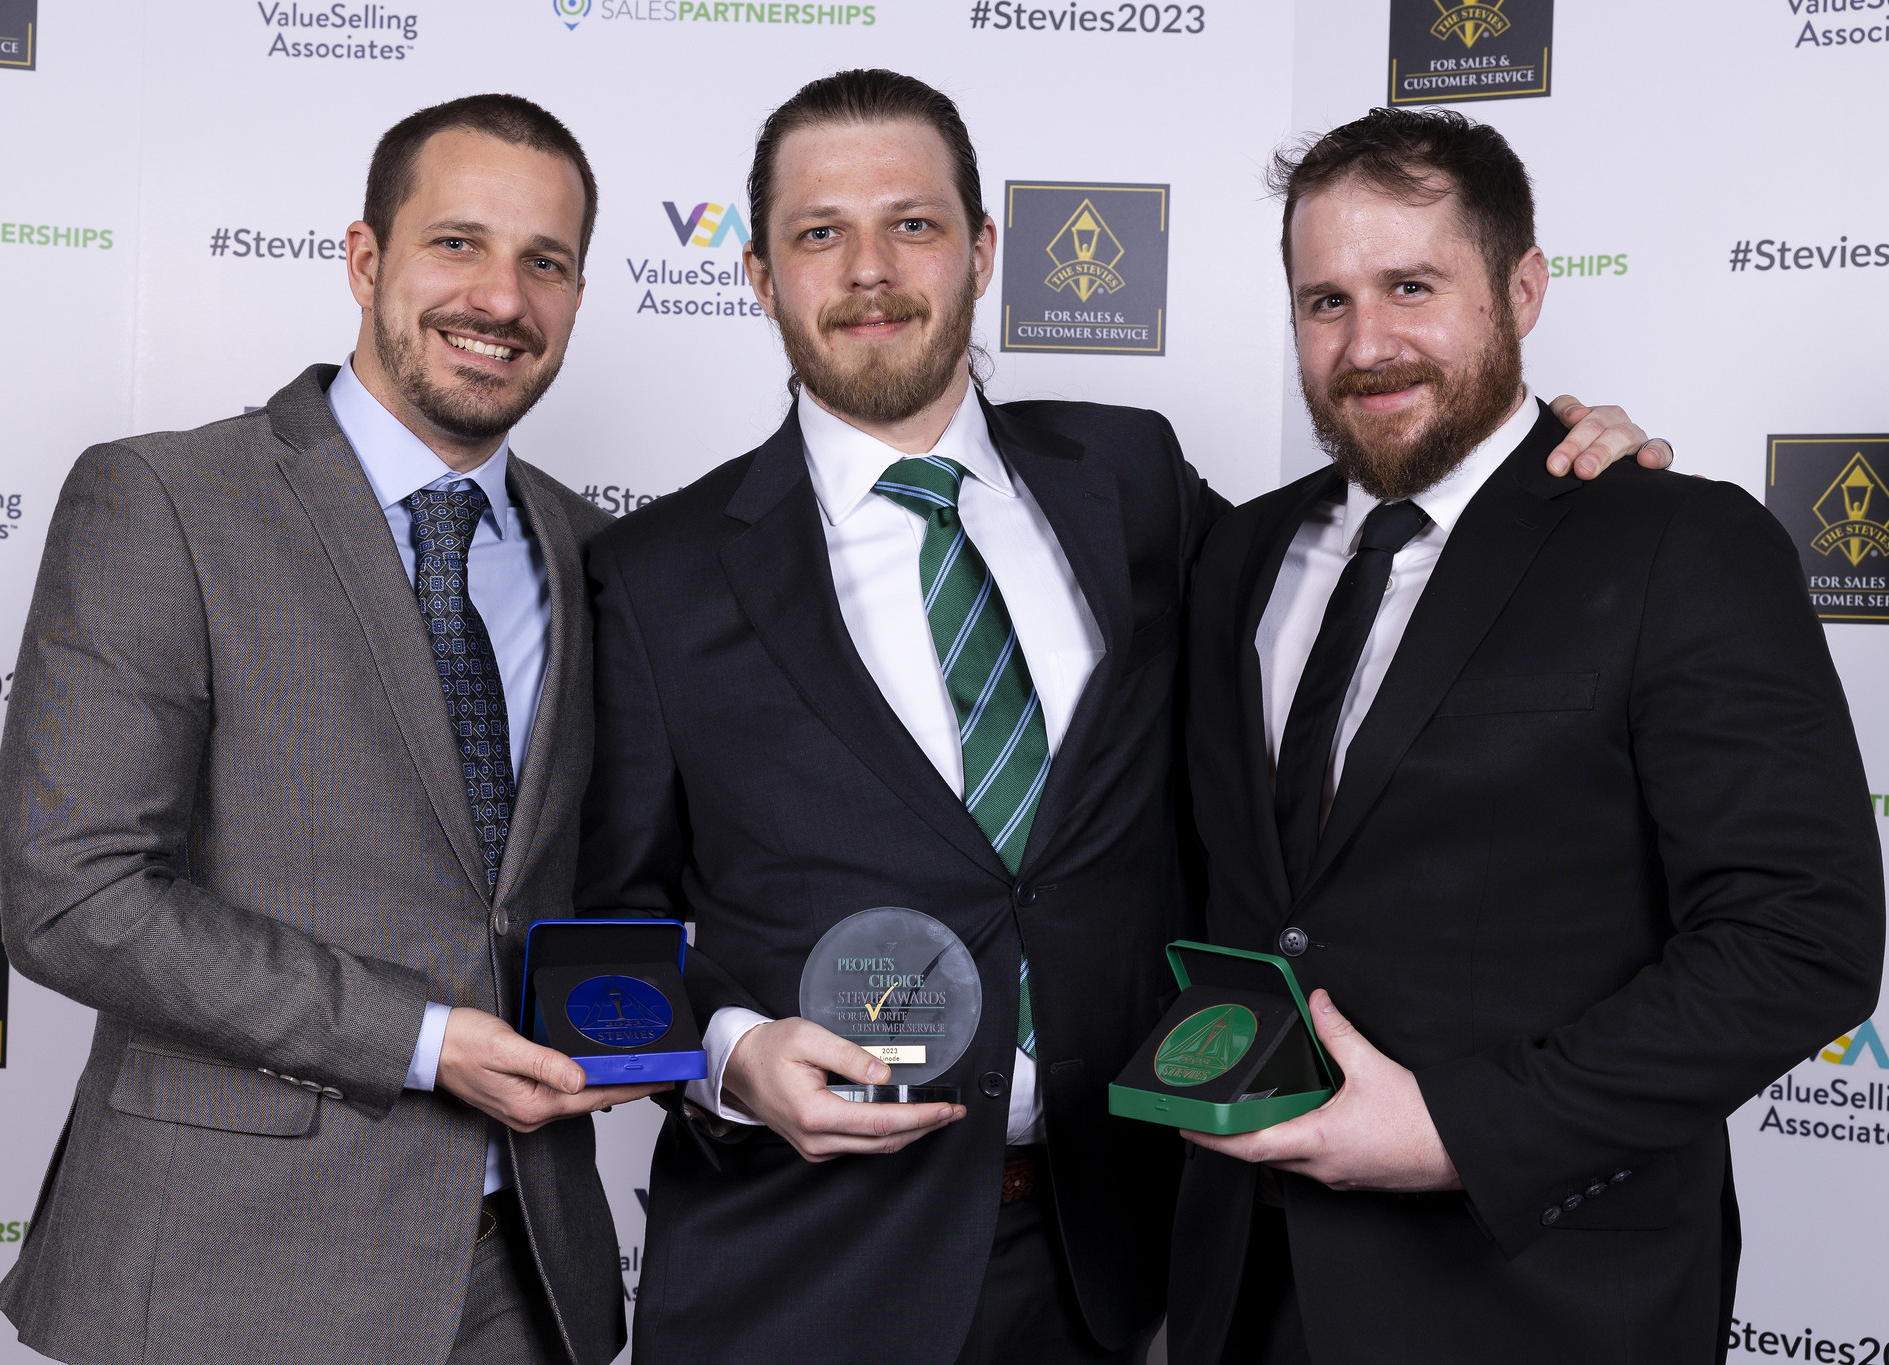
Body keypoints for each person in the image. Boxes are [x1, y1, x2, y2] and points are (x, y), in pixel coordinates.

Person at [574, 71, 1663, 1365]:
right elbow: (601, 939)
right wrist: (731, 1052)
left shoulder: (1131, 479)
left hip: (1118, 1269)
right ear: (758, 275)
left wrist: (1531, 468)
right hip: (803, 1277)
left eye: (913, 224)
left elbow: (1366, 601)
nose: (869, 269)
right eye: (820, 233)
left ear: (982, 252)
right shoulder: (656, 575)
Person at [1170, 107, 1886, 1365]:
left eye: (1410, 286)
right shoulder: (1238, 552)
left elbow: (1800, 940)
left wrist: (1457, 1126)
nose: (1366, 343)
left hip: (1538, 1299)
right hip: (1241, 1287)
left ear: (1521, 288)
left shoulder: (1677, 544)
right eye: (1322, 300)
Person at [0, 94, 664, 1365]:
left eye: (545, 262)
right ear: (366, 259)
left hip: (526, 1281)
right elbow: (71, 893)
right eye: (455, 244)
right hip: (224, 1275)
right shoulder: (166, 501)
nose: (500, 299)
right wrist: (419, 1043)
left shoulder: (600, 556)